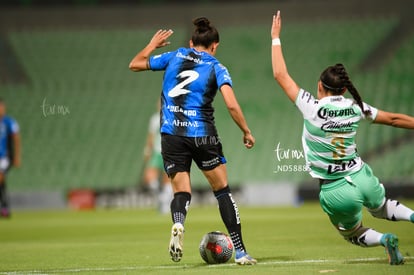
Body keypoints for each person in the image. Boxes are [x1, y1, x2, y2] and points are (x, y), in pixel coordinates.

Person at [271, 10, 414, 265]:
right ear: (345, 88)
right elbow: (393, 119)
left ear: (319, 86)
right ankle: (412, 216)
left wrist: (275, 38)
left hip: (335, 187)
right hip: (361, 175)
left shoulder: (311, 106)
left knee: (352, 233)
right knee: (382, 207)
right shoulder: (356, 106)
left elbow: (281, 75)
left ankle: (384, 240)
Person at [129, 18, 257, 265]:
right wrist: (246, 130)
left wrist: (151, 45)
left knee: (181, 192)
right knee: (222, 191)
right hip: (202, 135)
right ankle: (240, 252)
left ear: (191, 42)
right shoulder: (216, 66)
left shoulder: (175, 55)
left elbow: (135, 64)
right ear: (215, 45)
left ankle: (178, 221)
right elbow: (231, 103)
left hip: (172, 134)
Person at [142, 99, 172, 214]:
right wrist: (147, 151)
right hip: (156, 152)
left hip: (168, 152)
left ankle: (165, 203)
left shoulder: (171, 117)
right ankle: (160, 197)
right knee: (149, 178)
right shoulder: (155, 119)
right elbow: (151, 137)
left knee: (167, 179)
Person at [0, 98, 21, 218]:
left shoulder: (9, 122)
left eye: (2, 107)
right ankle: (5, 208)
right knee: (2, 184)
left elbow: (16, 139)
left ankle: (4, 207)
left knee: (0, 178)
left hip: (5, 158)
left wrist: (17, 157)